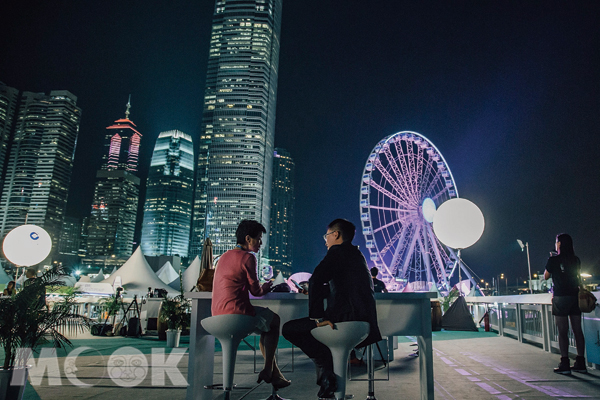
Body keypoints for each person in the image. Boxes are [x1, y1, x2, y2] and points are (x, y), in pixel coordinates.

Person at [282, 219, 382, 399]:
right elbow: (347, 286)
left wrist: (318, 317)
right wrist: (321, 291)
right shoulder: (358, 255)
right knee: (319, 336)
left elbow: (315, 280)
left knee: (289, 329)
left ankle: (327, 370)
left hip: (343, 324)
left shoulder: (336, 252)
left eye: (326, 236)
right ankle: (328, 375)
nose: (325, 240)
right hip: (364, 326)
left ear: (335, 234)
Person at [211, 220, 290, 389]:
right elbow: (256, 292)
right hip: (238, 315)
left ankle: (273, 372)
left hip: (216, 317)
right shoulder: (248, 257)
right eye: (259, 238)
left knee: (265, 325)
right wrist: (266, 287)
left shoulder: (223, 257)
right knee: (274, 320)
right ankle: (268, 368)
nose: (261, 243)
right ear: (248, 238)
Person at [544, 233, 586, 374]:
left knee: (563, 332)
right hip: (574, 297)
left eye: (556, 242)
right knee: (577, 330)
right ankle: (581, 361)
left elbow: (546, 276)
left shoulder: (553, 259)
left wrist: (553, 258)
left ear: (559, 244)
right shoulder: (576, 260)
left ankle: (565, 363)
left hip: (561, 297)